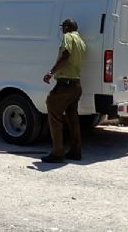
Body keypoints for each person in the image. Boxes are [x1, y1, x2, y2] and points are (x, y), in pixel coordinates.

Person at [41, 18, 86, 163]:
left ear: (67, 27)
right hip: (76, 85)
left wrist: (51, 72)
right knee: (72, 118)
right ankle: (75, 150)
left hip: (65, 84)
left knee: (53, 111)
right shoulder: (81, 41)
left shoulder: (68, 37)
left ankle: (57, 152)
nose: (62, 30)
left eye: (63, 27)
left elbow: (66, 55)